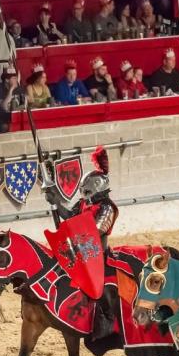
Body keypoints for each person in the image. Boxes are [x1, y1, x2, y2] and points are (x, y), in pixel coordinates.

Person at [44, 145, 119, 339]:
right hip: (80, 251)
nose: (85, 195)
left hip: (97, 255)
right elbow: (69, 215)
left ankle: (108, 319)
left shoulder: (107, 208)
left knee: (98, 287)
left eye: (87, 191)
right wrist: (55, 199)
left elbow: (95, 231)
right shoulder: (86, 203)